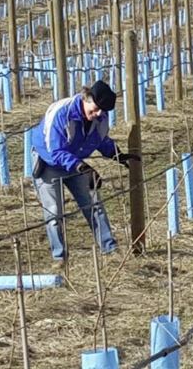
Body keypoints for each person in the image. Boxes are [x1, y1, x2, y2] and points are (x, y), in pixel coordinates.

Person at [31, 80, 139, 262]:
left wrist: (116, 154)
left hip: (75, 162)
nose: (97, 114)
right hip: (49, 163)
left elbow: (100, 139)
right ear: (86, 98)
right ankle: (60, 258)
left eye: (101, 112)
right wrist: (82, 167)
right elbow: (55, 151)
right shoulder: (62, 113)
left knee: (94, 204)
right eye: (95, 109)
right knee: (54, 212)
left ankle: (109, 249)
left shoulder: (100, 117)